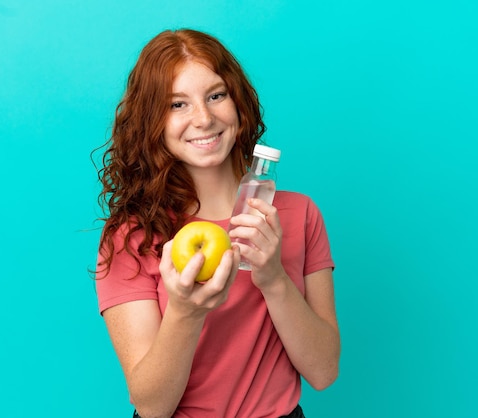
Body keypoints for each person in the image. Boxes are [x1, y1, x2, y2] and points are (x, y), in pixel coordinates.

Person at [94, 28, 340, 418]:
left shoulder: (298, 214)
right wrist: (186, 312)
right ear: (150, 121)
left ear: (238, 103)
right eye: (177, 104)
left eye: (215, 95)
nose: (204, 118)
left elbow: (324, 372)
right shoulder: (132, 238)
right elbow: (152, 406)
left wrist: (274, 279)